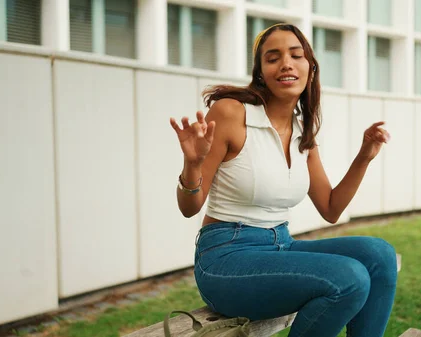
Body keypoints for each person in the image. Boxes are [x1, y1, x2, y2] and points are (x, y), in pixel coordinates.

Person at [169, 23, 397, 337]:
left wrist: (364, 156)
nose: (286, 63)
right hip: (226, 259)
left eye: (296, 55)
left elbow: (330, 208)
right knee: (350, 277)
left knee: (378, 254)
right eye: (273, 57)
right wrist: (192, 164)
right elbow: (189, 207)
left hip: (280, 246)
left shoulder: (302, 130)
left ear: (310, 68)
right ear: (261, 72)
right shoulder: (231, 114)